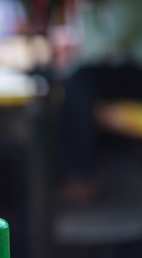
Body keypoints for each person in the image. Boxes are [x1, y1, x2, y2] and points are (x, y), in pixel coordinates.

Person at [57, 0, 142, 205]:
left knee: (78, 80)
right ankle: (76, 171)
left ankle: (79, 174)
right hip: (126, 71)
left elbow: (100, 49)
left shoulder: (133, 5)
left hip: (136, 72)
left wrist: (90, 8)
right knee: (74, 83)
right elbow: (90, 50)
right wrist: (89, 8)